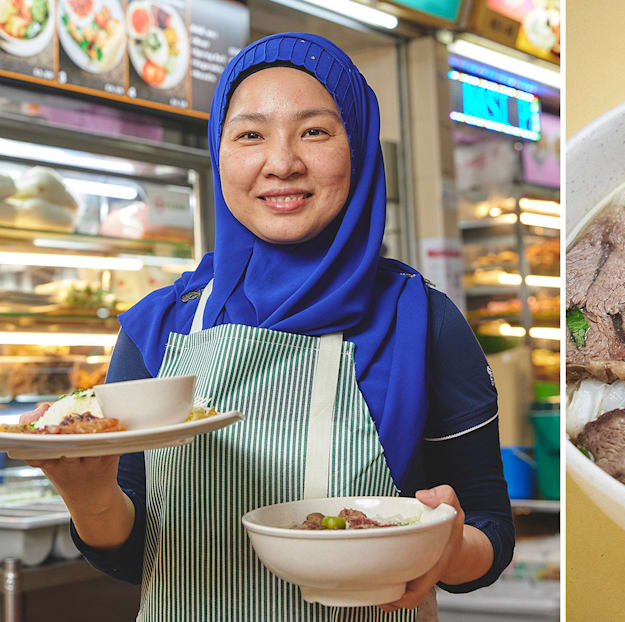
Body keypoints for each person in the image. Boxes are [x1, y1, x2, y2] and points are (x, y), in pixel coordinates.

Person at [25, 33, 514, 621]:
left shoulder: (423, 320)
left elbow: (490, 526)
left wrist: (446, 548)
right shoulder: (159, 326)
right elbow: (134, 560)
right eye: (250, 135)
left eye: (314, 131)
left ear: (357, 145)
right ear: (219, 152)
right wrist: (89, 496)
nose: (281, 163)